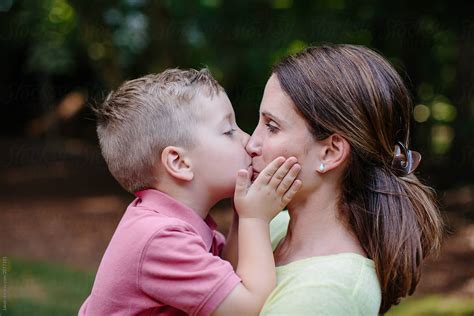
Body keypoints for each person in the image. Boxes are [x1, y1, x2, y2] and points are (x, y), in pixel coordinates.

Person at [233, 44, 443, 315]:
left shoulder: (325, 293)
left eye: (272, 127)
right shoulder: (272, 227)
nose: (252, 143)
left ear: (330, 152)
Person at [78, 68, 302, 316]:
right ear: (179, 163)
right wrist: (255, 219)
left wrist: (243, 215)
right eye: (229, 132)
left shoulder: (174, 224)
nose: (248, 141)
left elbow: (229, 274)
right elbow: (247, 308)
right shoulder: (160, 239)